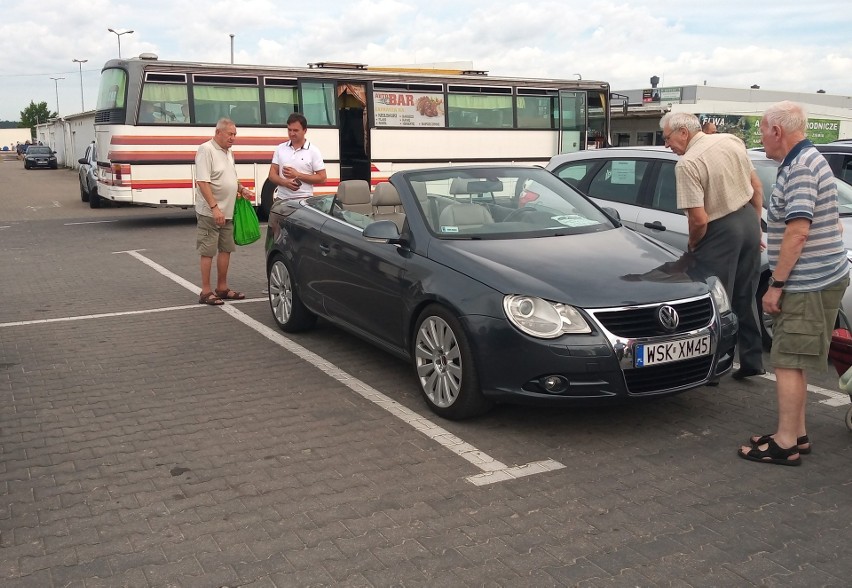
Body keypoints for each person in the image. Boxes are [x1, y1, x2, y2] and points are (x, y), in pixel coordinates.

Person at [738, 101, 849, 466]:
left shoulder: (800, 167)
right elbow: (831, 221)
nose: (761, 138)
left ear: (777, 131)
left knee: (786, 360)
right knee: (794, 360)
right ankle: (796, 434)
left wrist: (777, 284)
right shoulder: (809, 159)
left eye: (762, 130)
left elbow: (798, 231)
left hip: (808, 281)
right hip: (821, 275)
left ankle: (785, 444)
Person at [660, 111, 765, 380]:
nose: (666, 145)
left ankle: (713, 371)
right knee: (746, 294)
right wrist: (754, 227)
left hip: (719, 231)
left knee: (717, 302)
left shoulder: (687, 164)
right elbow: (756, 187)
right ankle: (752, 360)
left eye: (667, 138)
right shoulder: (731, 141)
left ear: (683, 132)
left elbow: (698, 219)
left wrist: (693, 245)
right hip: (748, 220)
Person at [194, 118, 254, 305]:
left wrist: (241, 189)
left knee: (226, 249)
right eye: (230, 134)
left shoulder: (228, 153)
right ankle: (205, 291)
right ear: (218, 132)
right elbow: (202, 182)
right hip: (211, 212)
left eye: (235, 134)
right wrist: (214, 208)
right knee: (208, 251)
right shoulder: (206, 150)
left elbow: (231, 178)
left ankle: (222, 288)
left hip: (229, 211)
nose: (233, 138)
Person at [268, 113, 326, 201]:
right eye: (289, 130)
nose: (292, 133)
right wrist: (285, 182)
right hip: (281, 199)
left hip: (304, 201)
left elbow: (322, 178)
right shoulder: (280, 148)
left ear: (305, 130)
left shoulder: (313, 151)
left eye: (295, 130)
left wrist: (298, 175)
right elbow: (271, 175)